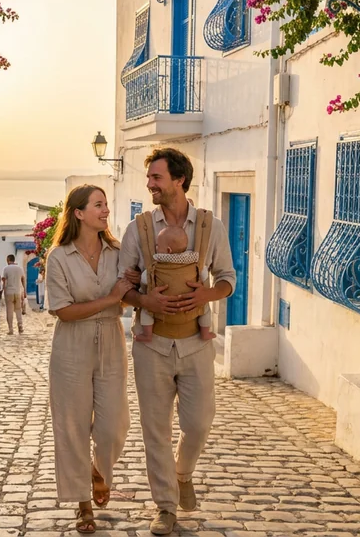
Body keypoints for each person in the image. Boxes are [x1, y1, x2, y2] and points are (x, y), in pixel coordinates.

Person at [118, 148, 236, 535]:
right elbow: (124, 285)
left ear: (179, 180)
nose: (150, 184)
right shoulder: (139, 229)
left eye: (156, 178)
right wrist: (143, 300)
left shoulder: (209, 227)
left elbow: (228, 279)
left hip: (196, 345)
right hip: (151, 345)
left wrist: (206, 296)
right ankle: (165, 507)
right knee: (155, 429)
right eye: (149, 178)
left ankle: (183, 474)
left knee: (199, 424)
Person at [45, 184, 133, 534]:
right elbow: (63, 311)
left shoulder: (117, 251)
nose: (106, 210)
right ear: (78, 213)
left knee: (115, 424)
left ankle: (98, 469)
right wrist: (112, 297)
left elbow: (127, 296)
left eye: (106, 204)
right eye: (98, 205)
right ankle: (83, 505)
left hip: (111, 339)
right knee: (72, 427)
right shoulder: (58, 257)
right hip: (71, 346)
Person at [136, 225, 215, 342]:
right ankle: (205, 333)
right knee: (205, 310)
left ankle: (147, 334)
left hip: (162, 312)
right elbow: (204, 274)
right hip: (191, 311)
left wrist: (139, 281)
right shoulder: (195, 263)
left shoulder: (156, 266)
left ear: (168, 250)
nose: (156, 247)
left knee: (147, 311)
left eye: (158, 245)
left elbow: (144, 279)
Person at [2, 254, 27, 334]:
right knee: (18, 310)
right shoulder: (19, 268)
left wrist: (3, 291)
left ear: (8, 260)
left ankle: (10, 329)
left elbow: (4, 281)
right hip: (17, 291)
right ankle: (20, 326)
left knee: (9, 311)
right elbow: (23, 279)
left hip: (9, 292)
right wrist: (24, 291)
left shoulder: (6, 269)